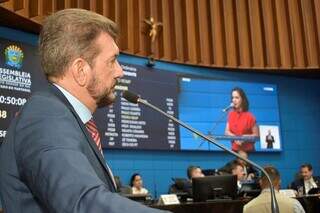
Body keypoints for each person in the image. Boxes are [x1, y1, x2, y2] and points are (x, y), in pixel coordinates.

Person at [0, 9, 168, 213]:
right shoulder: (46, 118)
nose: (120, 71)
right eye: (112, 60)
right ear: (81, 71)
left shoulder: (63, 116)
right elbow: (83, 202)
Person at [225, 87, 259, 152]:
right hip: (234, 151)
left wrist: (244, 138)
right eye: (233, 97)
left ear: (242, 99)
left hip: (248, 152)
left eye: (237, 97)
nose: (234, 100)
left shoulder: (250, 116)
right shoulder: (230, 114)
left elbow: (256, 136)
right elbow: (227, 132)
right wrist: (235, 138)